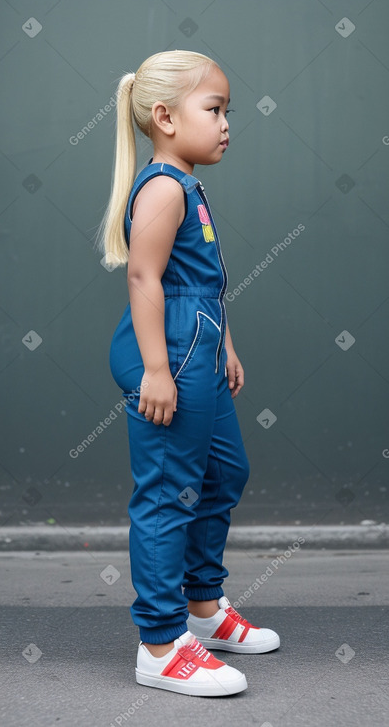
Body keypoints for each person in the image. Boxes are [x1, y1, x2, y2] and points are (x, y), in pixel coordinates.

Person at [96, 49, 280, 697]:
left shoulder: (186, 185)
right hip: (167, 350)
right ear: (165, 117)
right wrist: (156, 368)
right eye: (215, 109)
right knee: (168, 491)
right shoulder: (164, 188)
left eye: (225, 110)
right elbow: (144, 278)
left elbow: (197, 283)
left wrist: (222, 343)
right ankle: (159, 642)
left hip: (194, 340)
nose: (227, 122)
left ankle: (202, 608)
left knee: (223, 471)